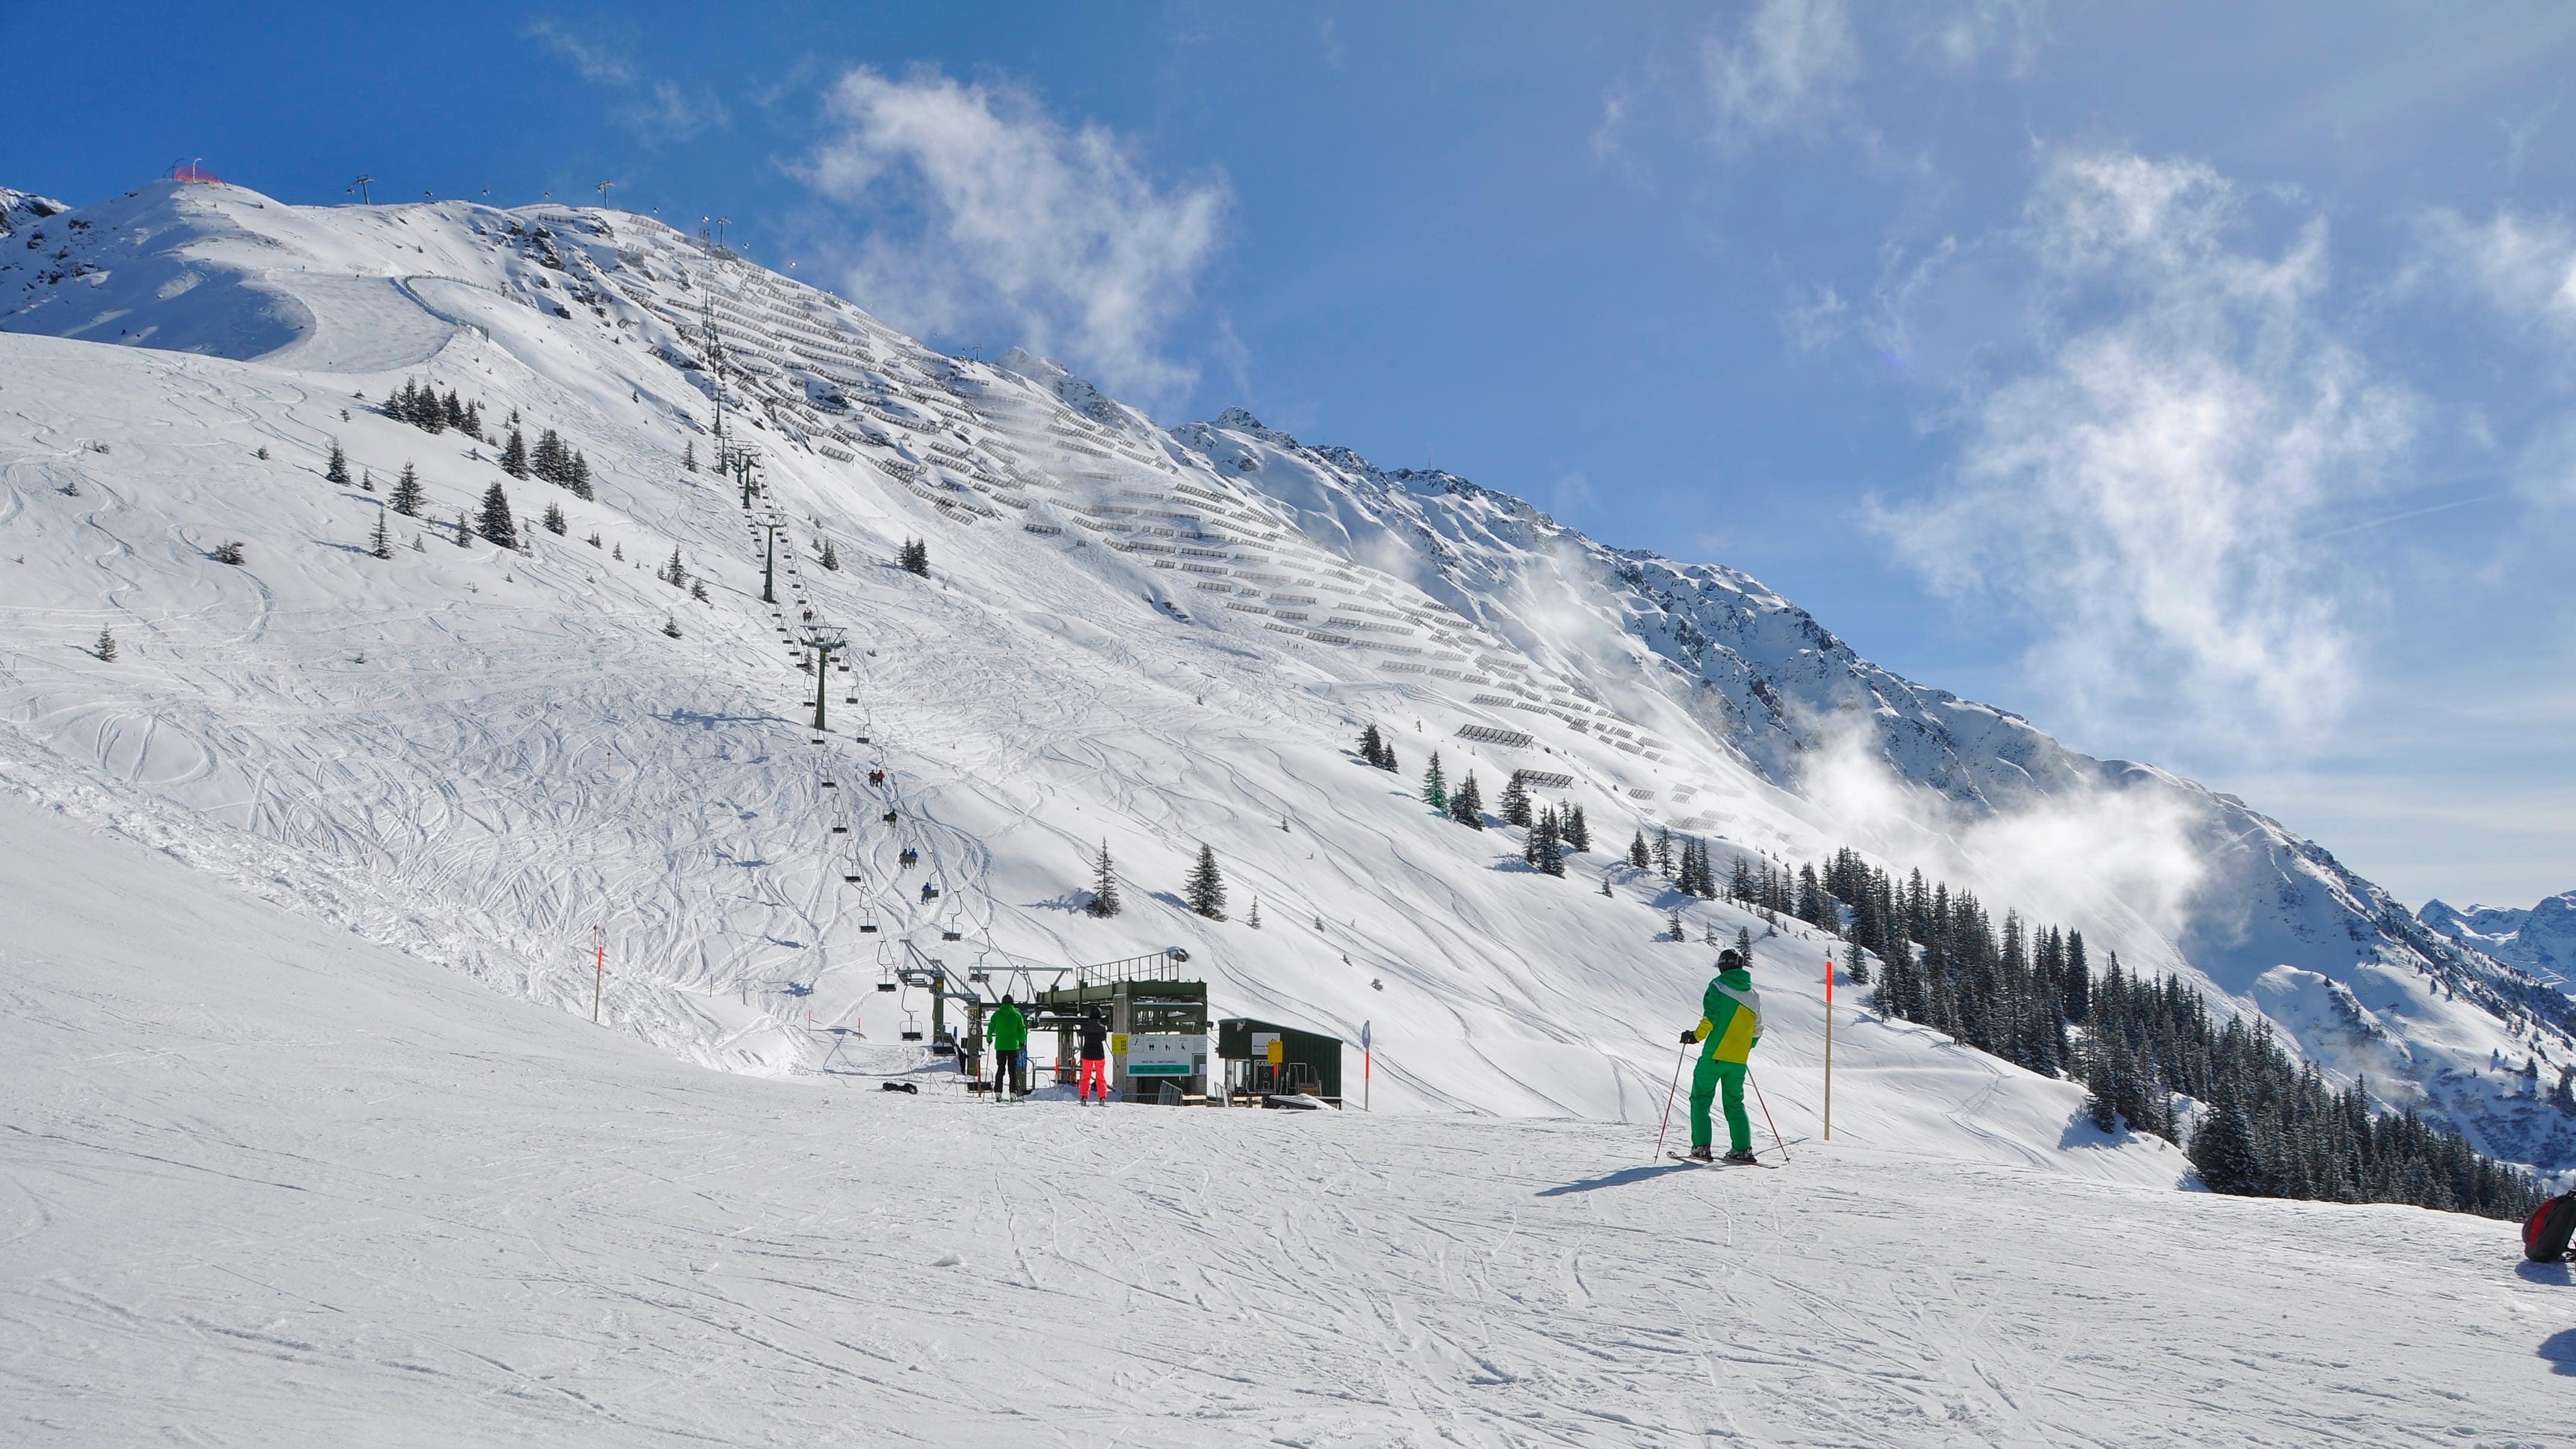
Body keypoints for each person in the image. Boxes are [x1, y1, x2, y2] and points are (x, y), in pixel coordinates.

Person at [1680, 948, 1763, 1163]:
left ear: (1722, 966)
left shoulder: (1717, 986)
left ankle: (1701, 1148)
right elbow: (1758, 1030)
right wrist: (1744, 1048)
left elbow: (1711, 1018)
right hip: (1738, 1061)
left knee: (1700, 1100)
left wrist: (1695, 1037)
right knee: (1735, 1103)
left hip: (1714, 1055)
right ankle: (1743, 1149)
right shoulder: (1753, 995)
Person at [988, 995, 1027, 1101]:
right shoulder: (1017, 1015)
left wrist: (989, 1038)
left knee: (1001, 1069)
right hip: (1013, 1046)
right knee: (1012, 1071)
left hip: (1000, 1046)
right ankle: (1013, 1092)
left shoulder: (997, 1015)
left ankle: (998, 1092)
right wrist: (1022, 1042)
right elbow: (1022, 1030)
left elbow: (991, 1026)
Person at [1077, 1007, 1110, 1105]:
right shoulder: (1102, 1028)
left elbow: (1080, 1033)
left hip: (1087, 1055)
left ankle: (1084, 1096)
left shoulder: (1085, 1027)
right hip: (1099, 1054)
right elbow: (1103, 1038)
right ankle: (1102, 1097)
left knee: (1086, 1077)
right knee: (1101, 1077)